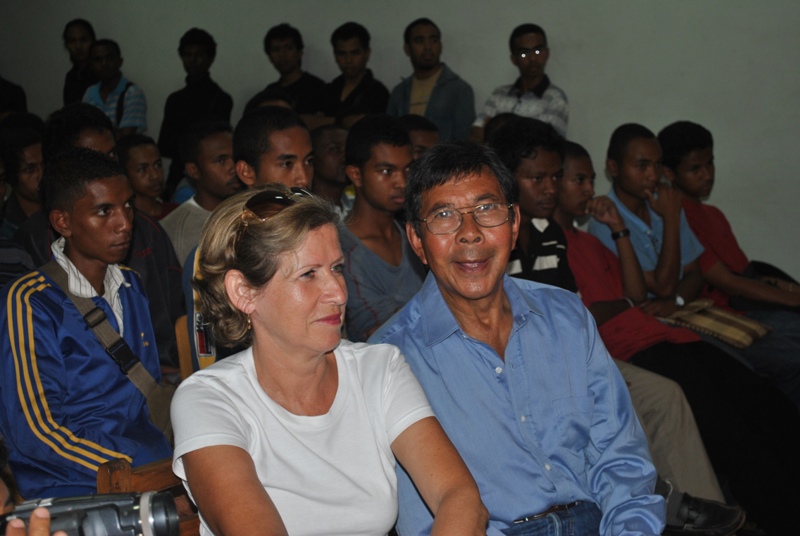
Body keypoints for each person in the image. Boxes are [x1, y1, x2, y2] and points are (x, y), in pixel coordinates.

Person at [371, 142, 664, 535]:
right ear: (417, 239)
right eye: (444, 215)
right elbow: (424, 520)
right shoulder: (390, 359)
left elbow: (621, 460)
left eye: (486, 209)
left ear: (513, 224)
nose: (470, 234)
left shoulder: (566, 316)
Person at [171, 186, 487, 535]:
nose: (338, 292)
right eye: (309, 274)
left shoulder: (377, 369)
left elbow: (459, 496)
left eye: (337, 268)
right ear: (244, 292)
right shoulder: (209, 400)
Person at [555, 140, 800, 535]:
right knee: (731, 431)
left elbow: (636, 294)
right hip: (634, 348)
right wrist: (626, 302)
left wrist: (619, 231)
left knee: (763, 400)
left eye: (589, 180)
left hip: (667, 334)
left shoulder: (590, 239)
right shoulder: (552, 248)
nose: (588, 189)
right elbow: (591, 313)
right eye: (577, 180)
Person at [0, 148, 172, 499]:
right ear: (63, 222)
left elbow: (147, 396)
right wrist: (132, 470)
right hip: (72, 480)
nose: (125, 223)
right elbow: (37, 432)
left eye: (128, 206)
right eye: (104, 211)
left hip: (147, 464)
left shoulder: (130, 284)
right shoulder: (31, 301)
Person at [590, 123, 800, 409]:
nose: (652, 175)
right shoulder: (607, 220)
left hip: (687, 309)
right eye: (642, 166)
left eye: (657, 164)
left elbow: (694, 275)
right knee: (754, 371)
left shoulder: (663, 203)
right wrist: (672, 219)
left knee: (786, 355)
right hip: (656, 326)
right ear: (613, 168)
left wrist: (676, 300)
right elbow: (662, 286)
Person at [16, 103, 185, 369]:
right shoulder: (33, 245)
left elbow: (177, 313)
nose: (124, 225)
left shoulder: (144, 236)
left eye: (112, 155)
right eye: (93, 158)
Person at [658, 120, 800, 310]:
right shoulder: (676, 219)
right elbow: (728, 283)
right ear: (669, 173)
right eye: (695, 169)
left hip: (754, 302)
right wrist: (794, 300)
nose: (707, 175)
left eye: (710, 163)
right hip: (729, 312)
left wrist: (792, 292)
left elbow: (748, 275)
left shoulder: (714, 214)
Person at [339, 115, 424, 342]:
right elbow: (377, 333)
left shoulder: (412, 234)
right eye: (387, 171)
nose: (402, 183)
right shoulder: (342, 250)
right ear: (356, 175)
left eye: (408, 170)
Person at [158, 28, 233, 202]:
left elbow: (217, 146)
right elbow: (164, 145)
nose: (192, 60)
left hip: (210, 179)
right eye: (187, 55)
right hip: (177, 176)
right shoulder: (175, 99)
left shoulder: (220, 99)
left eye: (198, 55)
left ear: (210, 58)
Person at [472, 24, 568, 144]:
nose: (532, 58)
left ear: (547, 53)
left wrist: (495, 131)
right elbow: (476, 135)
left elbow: (545, 145)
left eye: (538, 50)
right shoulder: (499, 95)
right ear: (514, 59)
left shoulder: (555, 98)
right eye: (524, 53)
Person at [161, 120, 241, 264]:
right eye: (220, 160)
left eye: (235, 158)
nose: (233, 167)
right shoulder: (173, 229)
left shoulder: (255, 209)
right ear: (193, 170)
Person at [386, 18, 475, 142]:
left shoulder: (459, 90)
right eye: (419, 41)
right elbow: (389, 137)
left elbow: (463, 140)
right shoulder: (399, 92)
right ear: (407, 49)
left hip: (442, 155)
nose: (428, 47)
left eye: (434, 40)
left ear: (440, 46)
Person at [245, 24, 325, 116]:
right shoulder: (270, 93)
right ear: (269, 56)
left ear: (299, 53)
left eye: (288, 48)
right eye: (276, 49)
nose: (282, 55)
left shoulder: (317, 88)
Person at [321, 22, 390, 127]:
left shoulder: (378, 93)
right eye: (342, 54)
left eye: (355, 53)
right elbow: (306, 122)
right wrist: (343, 121)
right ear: (335, 55)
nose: (348, 60)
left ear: (367, 53)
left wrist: (326, 120)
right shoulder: (327, 90)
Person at [82, 39, 147, 137]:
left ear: (120, 62)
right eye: (98, 60)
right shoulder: (90, 93)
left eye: (110, 58)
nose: (104, 64)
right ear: (91, 65)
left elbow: (125, 138)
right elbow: (84, 132)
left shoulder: (132, 93)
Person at [116, 134, 176, 219]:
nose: (155, 176)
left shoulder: (175, 212)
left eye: (158, 165)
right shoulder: (124, 220)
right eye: (142, 169)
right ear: (124, 173)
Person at [0, 125, 43, 239]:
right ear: (12, 176)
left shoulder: (62, 204)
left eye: (44, 164)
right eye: (30, 170)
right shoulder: (7, 230)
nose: (41, 174)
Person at [310, 124, 352, 217]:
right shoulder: (305, 213)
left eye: (348, 149)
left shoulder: (355, 208)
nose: (345, 157)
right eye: (335, 149)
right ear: (313, 159)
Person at [62, 19, 97, 106]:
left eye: (84, 40)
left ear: (93, 41)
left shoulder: (102, 73)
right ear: (66, 45)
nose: (78, 46)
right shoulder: (71, 77)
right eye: (72, 41)